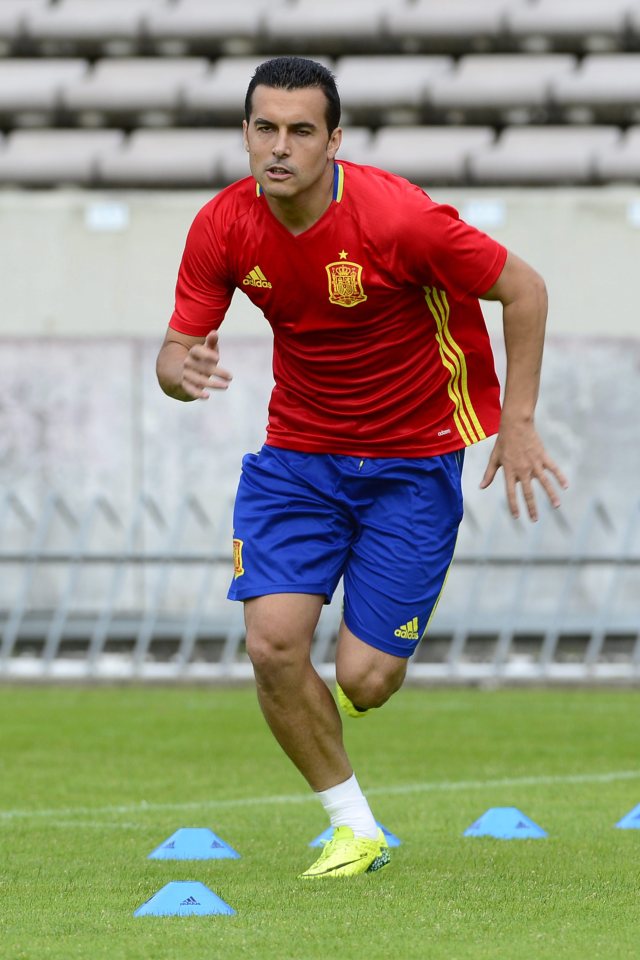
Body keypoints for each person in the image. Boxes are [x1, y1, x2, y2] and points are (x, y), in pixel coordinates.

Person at [156, 56, 567, 879]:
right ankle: (354, 825)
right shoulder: (223, 225)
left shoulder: (400, 220)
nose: (280, 147)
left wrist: (515, 421)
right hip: (296, 461)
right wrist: (178, 373)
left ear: (333, 140)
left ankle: (363, 680)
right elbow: (175, 351)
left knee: (367, 680)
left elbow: (524, 289)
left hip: (411, 463)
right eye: (264, 128)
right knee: (272, 647)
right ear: (245, 133)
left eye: (300, 131)